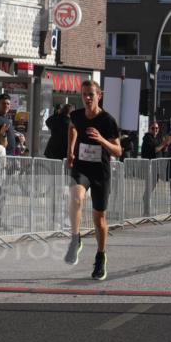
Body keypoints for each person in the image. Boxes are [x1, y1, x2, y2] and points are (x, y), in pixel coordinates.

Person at [64, 80, 122, 282]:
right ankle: (75, 239)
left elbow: (118, 150)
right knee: (76, 197)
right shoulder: (77, 115)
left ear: (99, 96)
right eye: (84, 94)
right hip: (82, 168)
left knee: (99, 220)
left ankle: (100, 256)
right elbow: (72, 127)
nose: (87, 98)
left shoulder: (108, 120)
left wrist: (101, 140)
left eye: (91, 94)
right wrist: (70, 151)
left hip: (100, 173)